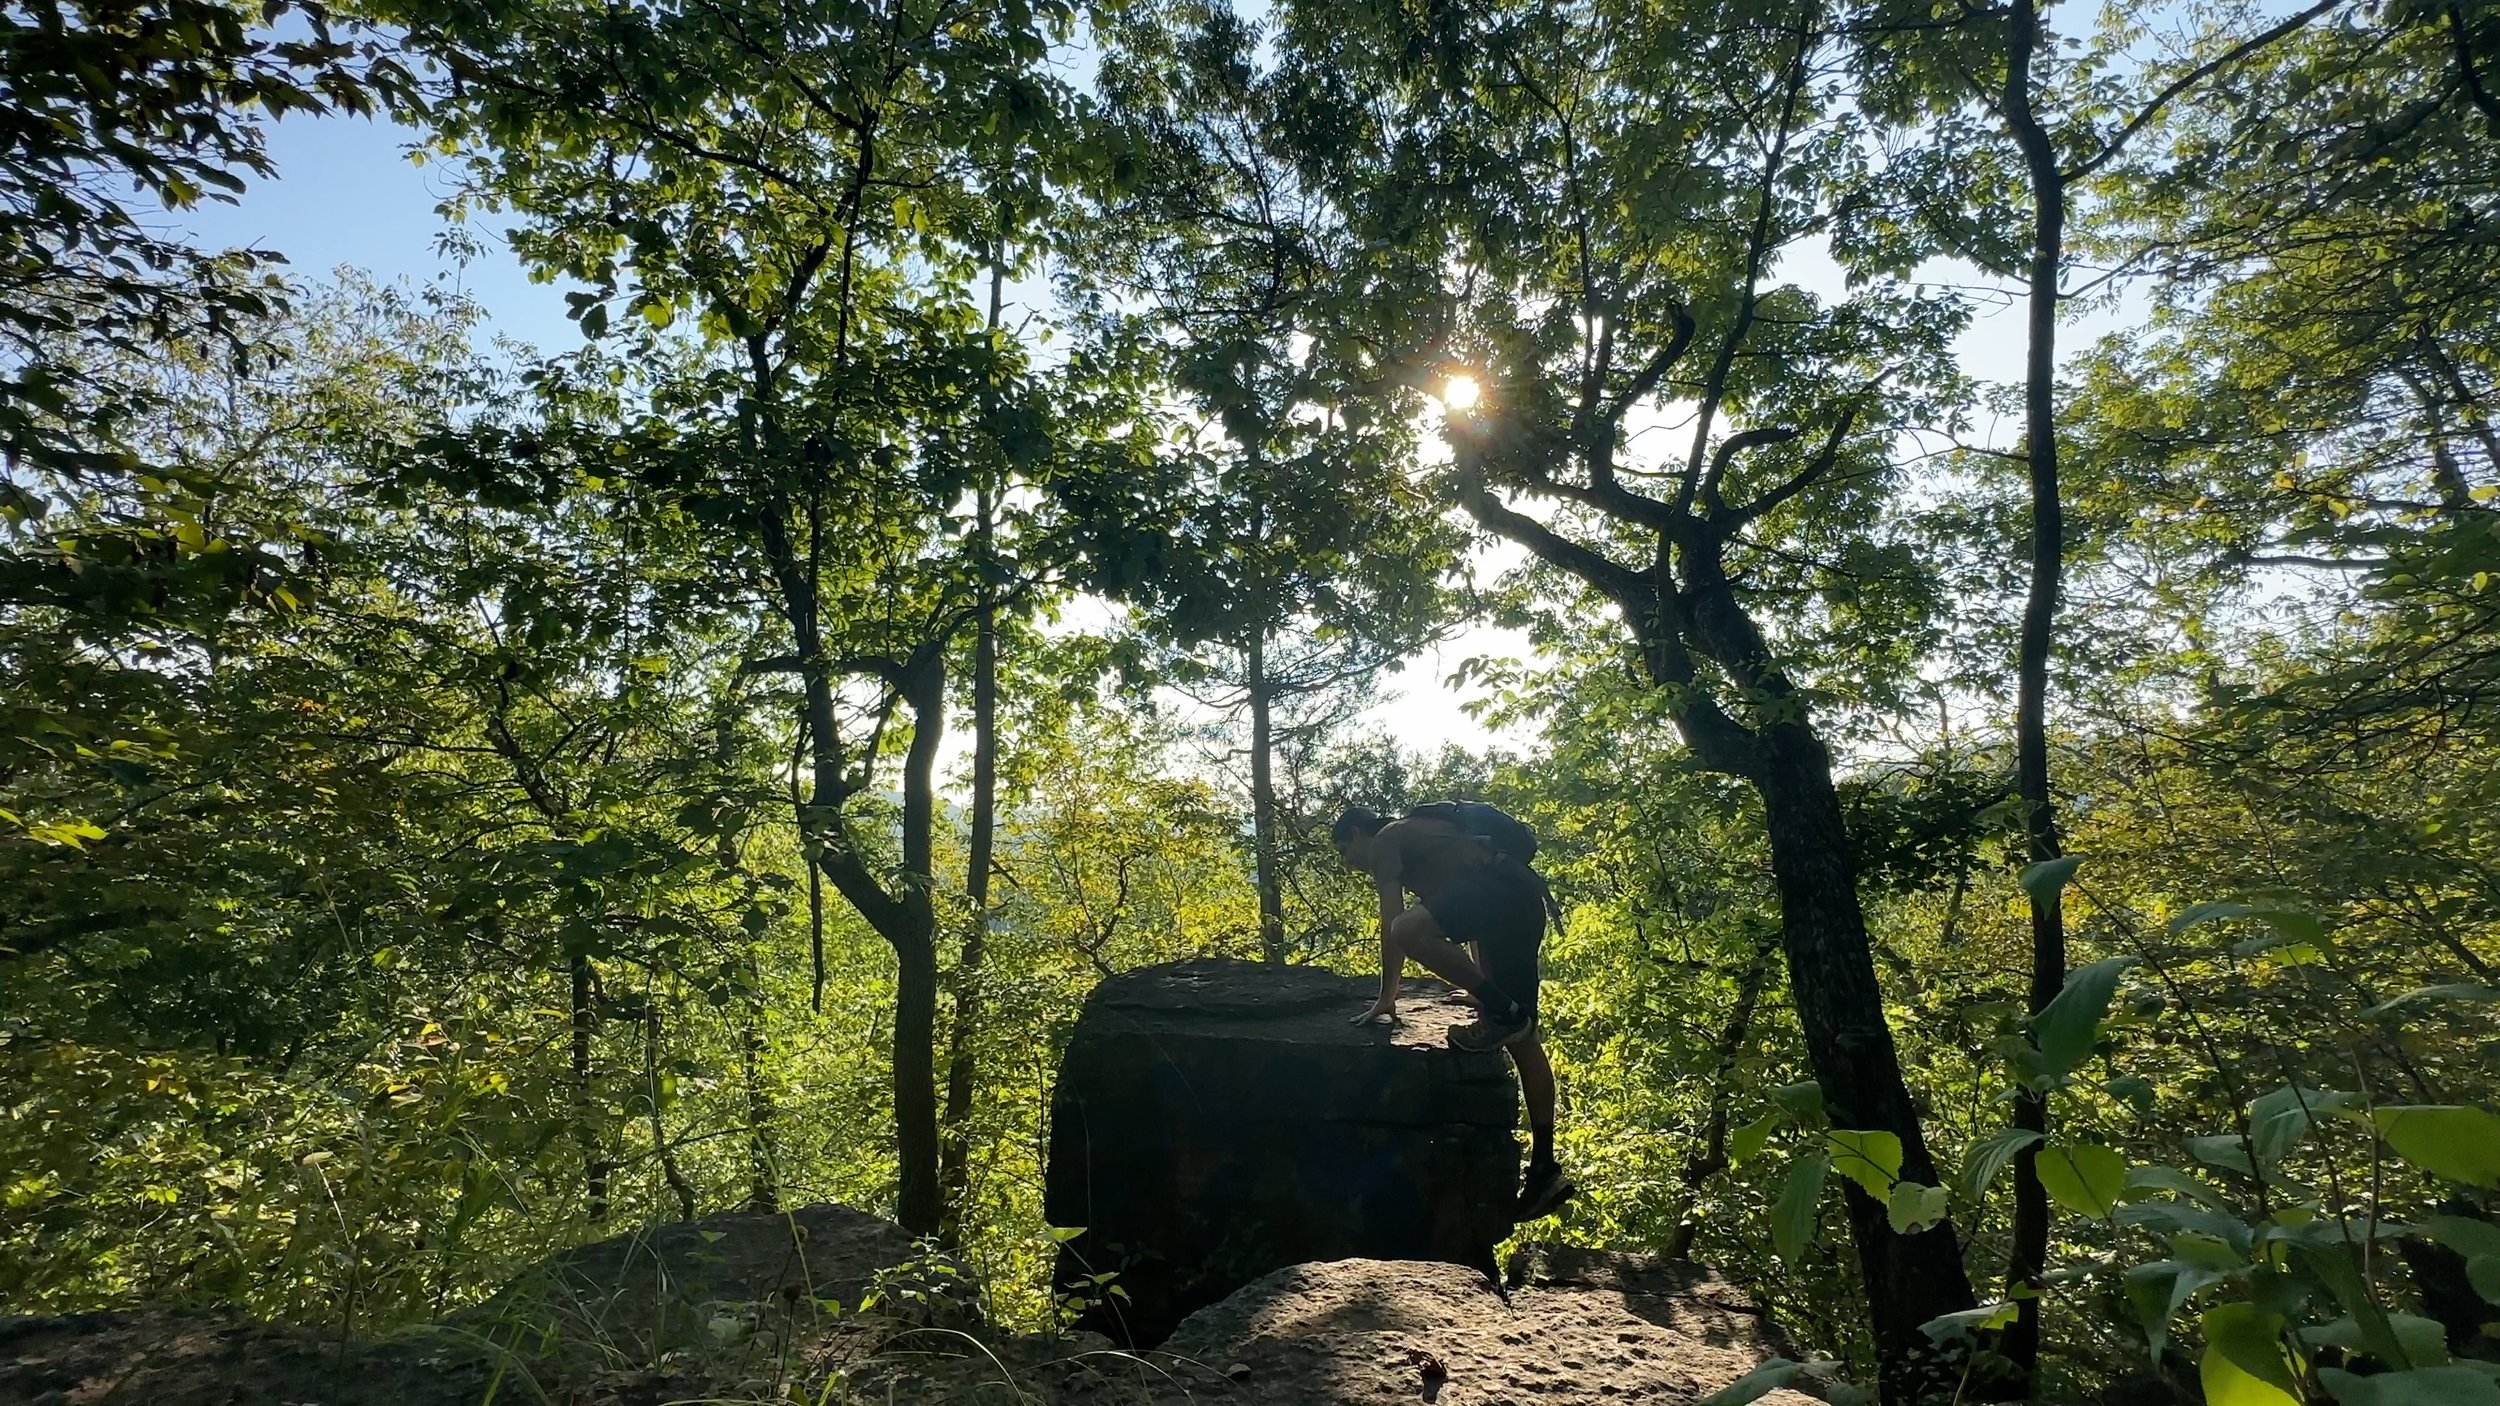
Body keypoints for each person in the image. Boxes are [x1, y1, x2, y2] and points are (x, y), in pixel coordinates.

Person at [1333, 804, 1574, 1222]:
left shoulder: (1386, 840)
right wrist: (1483, 987)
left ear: (1357, 832)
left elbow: (1396, 927)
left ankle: (1504, 1012)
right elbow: (1471, 921)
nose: (1347, 861)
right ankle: (1545, 1170)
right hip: (1520, 902)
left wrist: (1388, 994)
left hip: (1501, 900)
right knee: (1522, 1037)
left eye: (1343, 848)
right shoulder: (1434, 843)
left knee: (1408, 929)